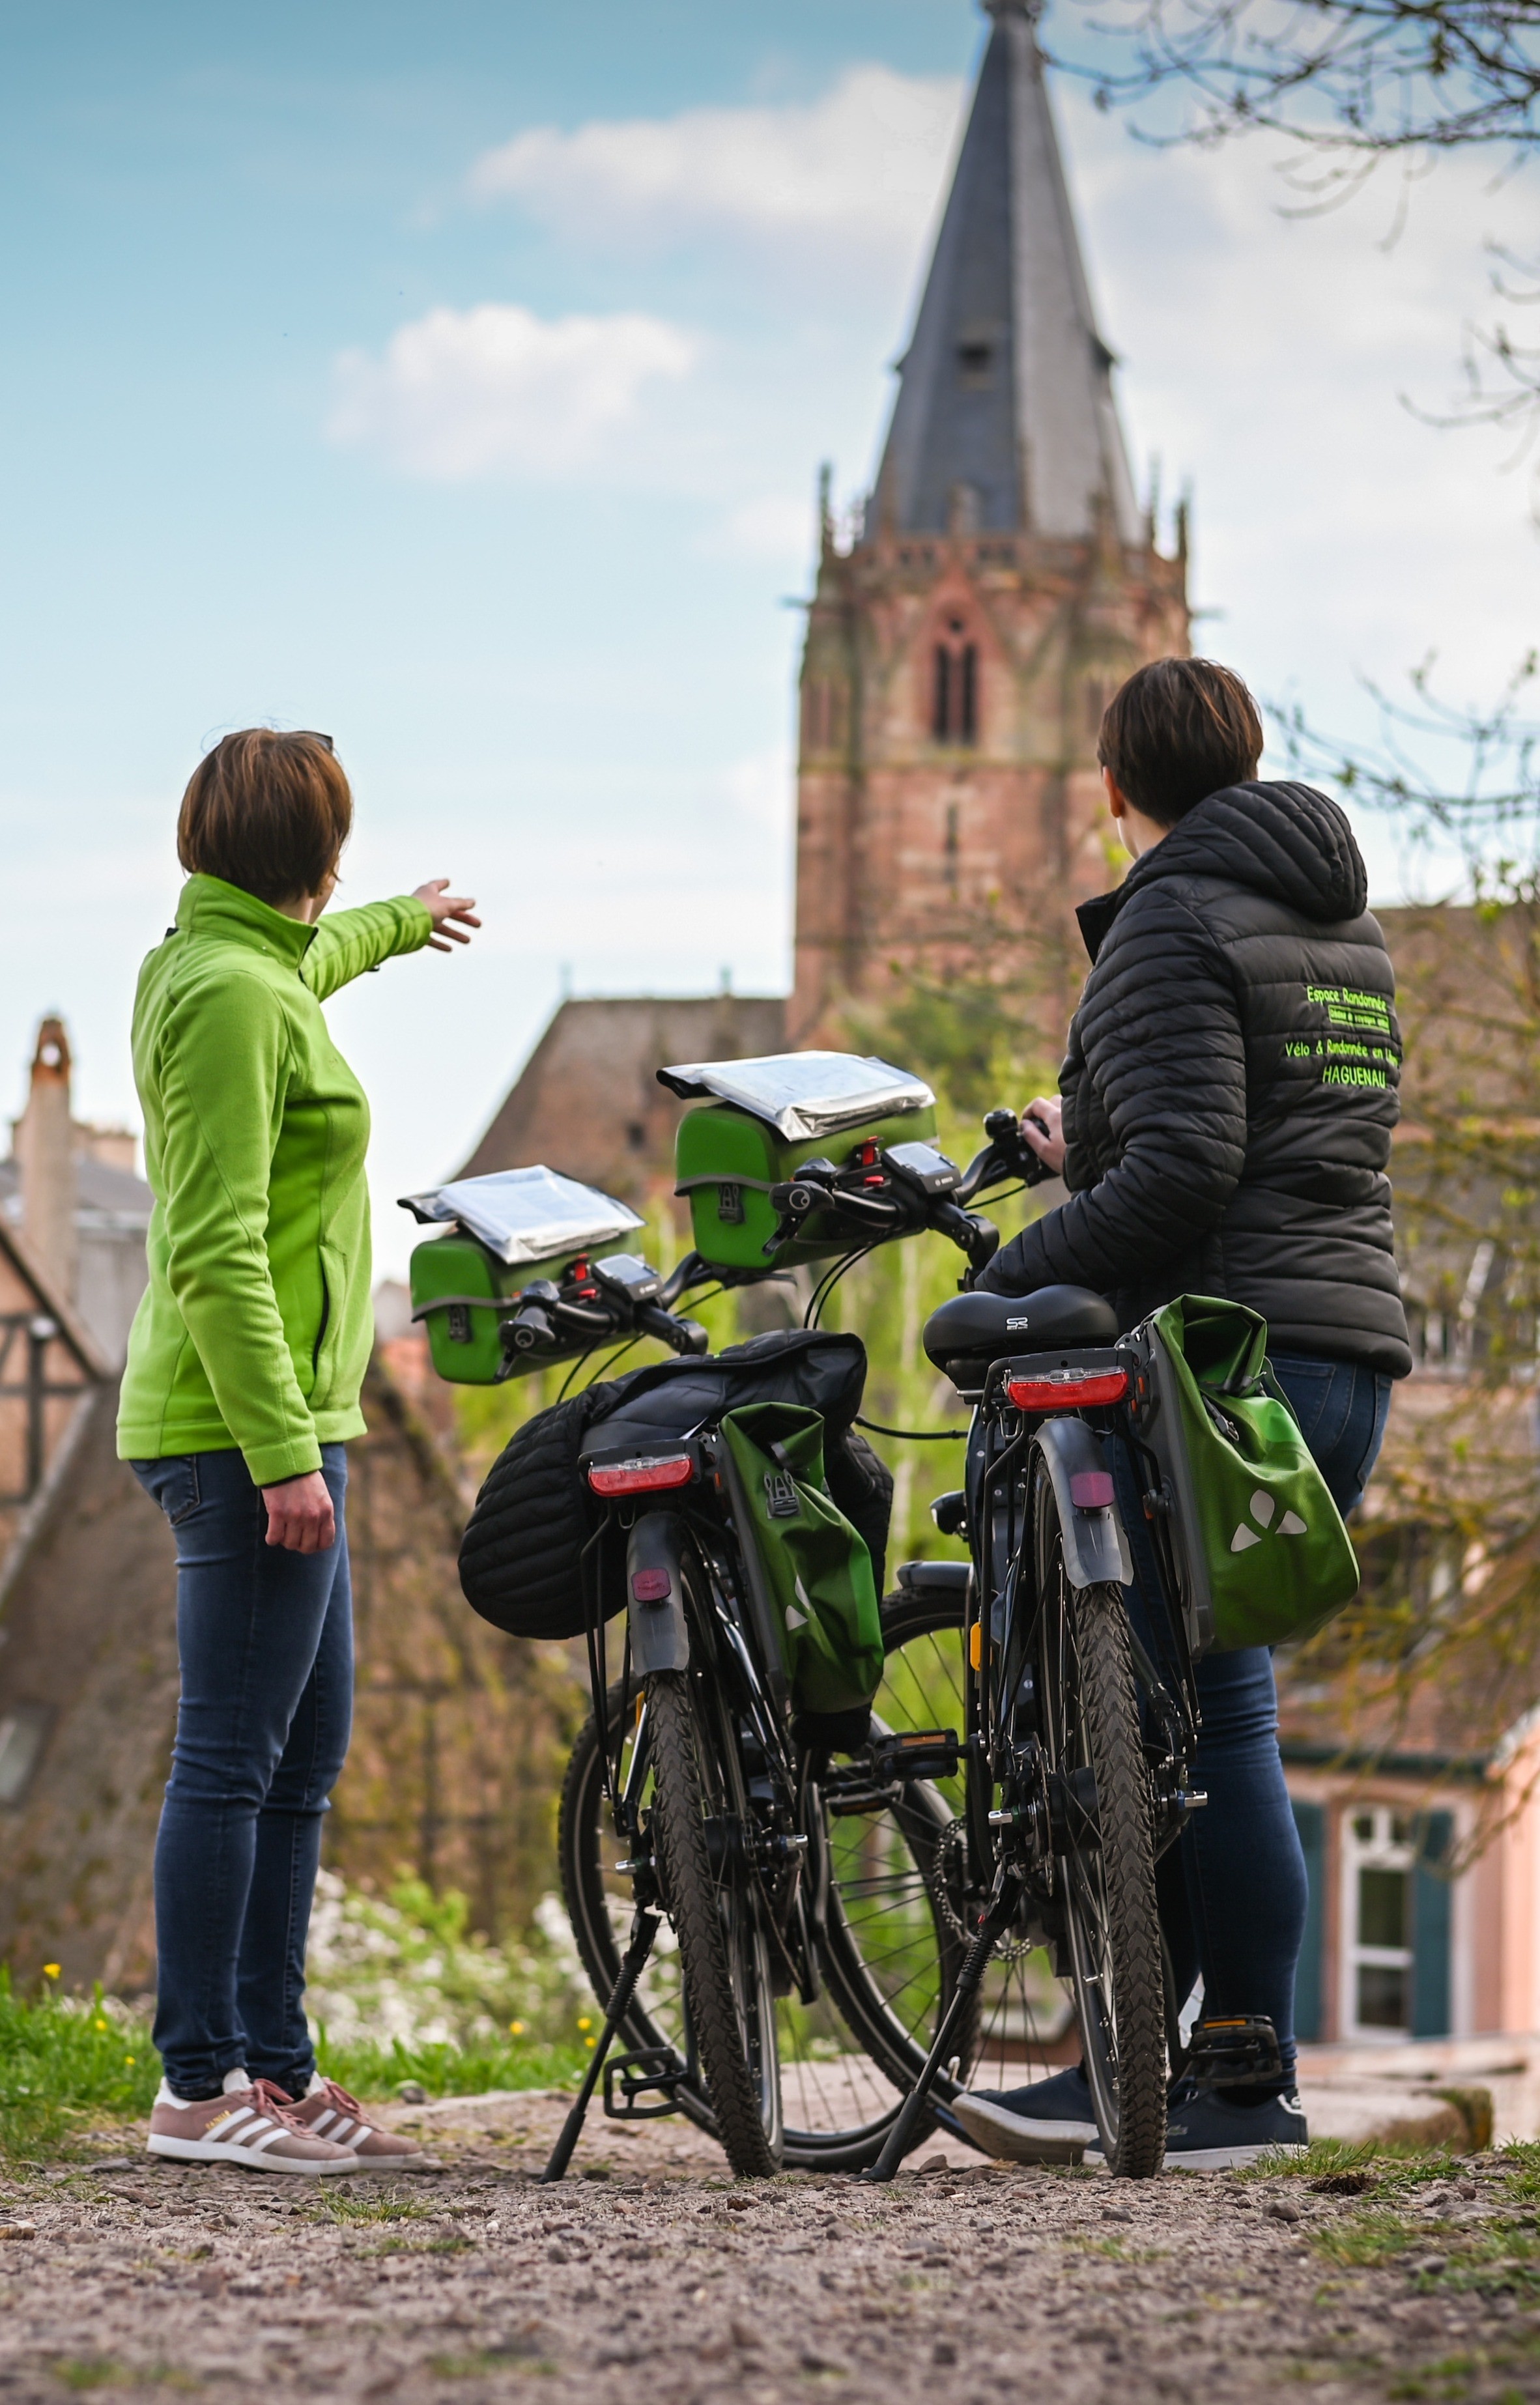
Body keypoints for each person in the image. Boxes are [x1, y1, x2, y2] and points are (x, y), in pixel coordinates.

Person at [951, 657, 1409, 2172]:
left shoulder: (1166, 912)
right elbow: (1266, 1127)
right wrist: (1082, 1130)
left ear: (1110, 785)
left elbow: (1187, 1176)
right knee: (1229, 1704)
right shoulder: (1338, 922)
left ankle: (1166, 2072)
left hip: (1224, 1363)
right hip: (1341, 1361)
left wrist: (1013, 1279)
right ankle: (1230, 2072)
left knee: (1168, 1719)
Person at [119, 728, 479, 2174]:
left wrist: (400, 921)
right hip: (239, 1433)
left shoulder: (241, 964)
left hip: (297, 1425)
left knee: (301, 1755)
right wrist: (279, 1457)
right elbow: (212, 1249)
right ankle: (197, 2085)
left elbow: (304, 972)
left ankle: (275, 2064)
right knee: (230, 1757)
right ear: (308, 861)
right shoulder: (221, 993)